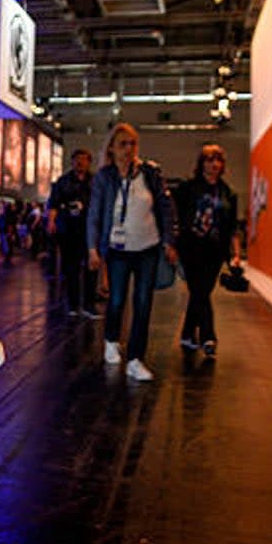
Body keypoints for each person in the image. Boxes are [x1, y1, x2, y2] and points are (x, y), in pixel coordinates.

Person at [87, 123, 177, 381]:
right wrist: (93, 249)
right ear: (112, 149)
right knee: (116, 300)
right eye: (122, 144)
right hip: (117, 250)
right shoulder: (105, 177)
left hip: (147, 247)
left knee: (143, 303)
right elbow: (94, 214)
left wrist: (169, 241)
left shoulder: (150, 173)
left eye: (132, 144)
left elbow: (165, 208)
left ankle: (136, 359)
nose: (128, 149)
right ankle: (111, 338)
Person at [173, 144, 242, 357]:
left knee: (200, 293)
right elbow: (172, 212)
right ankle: (208, 336)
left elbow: (232, 228)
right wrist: (171, 241)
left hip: (215, 251)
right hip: (191, 249)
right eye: (209, 160)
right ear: (201, 164)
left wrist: (236, 254)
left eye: (217, 160)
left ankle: (187, 333)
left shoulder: (228, 193)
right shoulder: (188, 188)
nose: (214, 165)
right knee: (200, 291)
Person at [46, 148, 99, 318]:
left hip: (90, 231)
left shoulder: (95, 181)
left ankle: (90, 305)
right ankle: (73, 305)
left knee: (91, 269)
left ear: (89, 162)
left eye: (84, 159)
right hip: (68, 230)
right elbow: (54, 203)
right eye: (77, 159)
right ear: (72, 161)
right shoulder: (63, 181)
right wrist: (51, 222)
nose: (80, 163)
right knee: (71, 269)